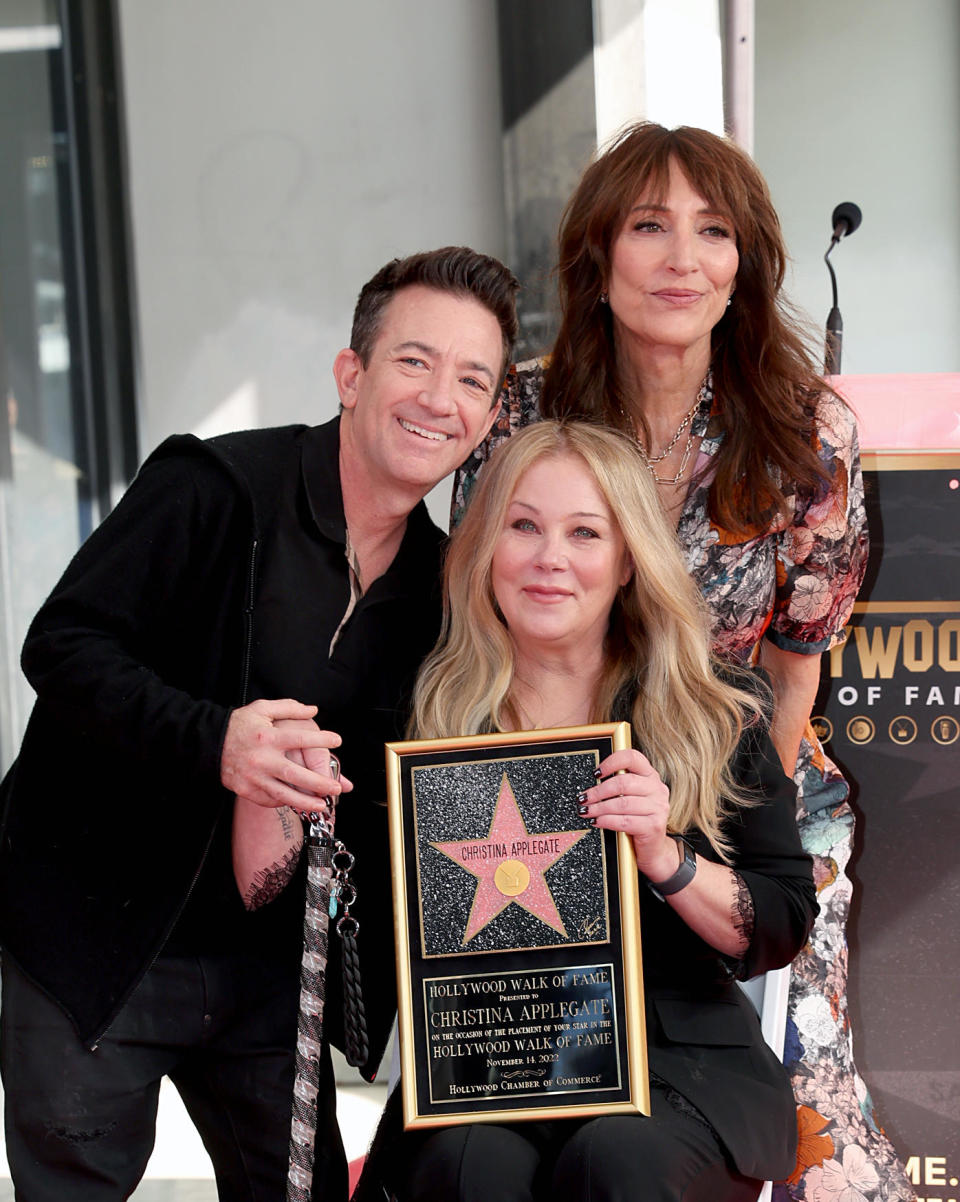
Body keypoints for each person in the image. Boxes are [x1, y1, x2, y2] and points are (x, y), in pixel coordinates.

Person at [0, 246, 518, 1201]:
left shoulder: (446, 592)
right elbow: (63, 646)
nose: (439, 397)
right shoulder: (214, 488)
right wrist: (217, 740)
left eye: (471, 379)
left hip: (270, 968)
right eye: (414, 361)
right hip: (97, 932)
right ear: (351, 374)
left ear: (488, 417)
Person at [452, 124, 913, 1199]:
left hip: (741, 780)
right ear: (598, 258)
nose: (680, 258)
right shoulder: (520, 411)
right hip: (550, 799)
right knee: (517, 1121)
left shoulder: (808, 434)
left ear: (744, 262)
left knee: (819, 1131)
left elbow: (797, 660)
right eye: (648, 226)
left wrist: (730, 821)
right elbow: (478, 611)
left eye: (713, 231)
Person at [344, 420, 818, 1202]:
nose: (549, 558)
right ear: (484, 549)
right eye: (522, 526)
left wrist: (668, 859)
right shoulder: (420, 715)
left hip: (677, 1070)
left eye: (584, 532)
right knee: (473, 1169)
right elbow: (366, 927)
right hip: (487, 1062)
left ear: (628, 560)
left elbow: (780, 923)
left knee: (616, 1162)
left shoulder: (714, 714)